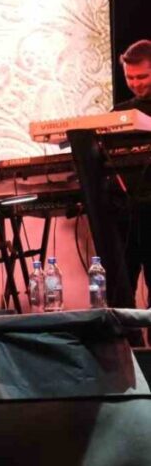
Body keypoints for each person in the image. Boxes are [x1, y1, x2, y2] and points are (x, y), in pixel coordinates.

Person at [114, 39, 151, 303]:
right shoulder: (120, 113)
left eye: (143, 77)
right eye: (130, 78)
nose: (136, 84)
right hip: (126, 209)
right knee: (120, 284)